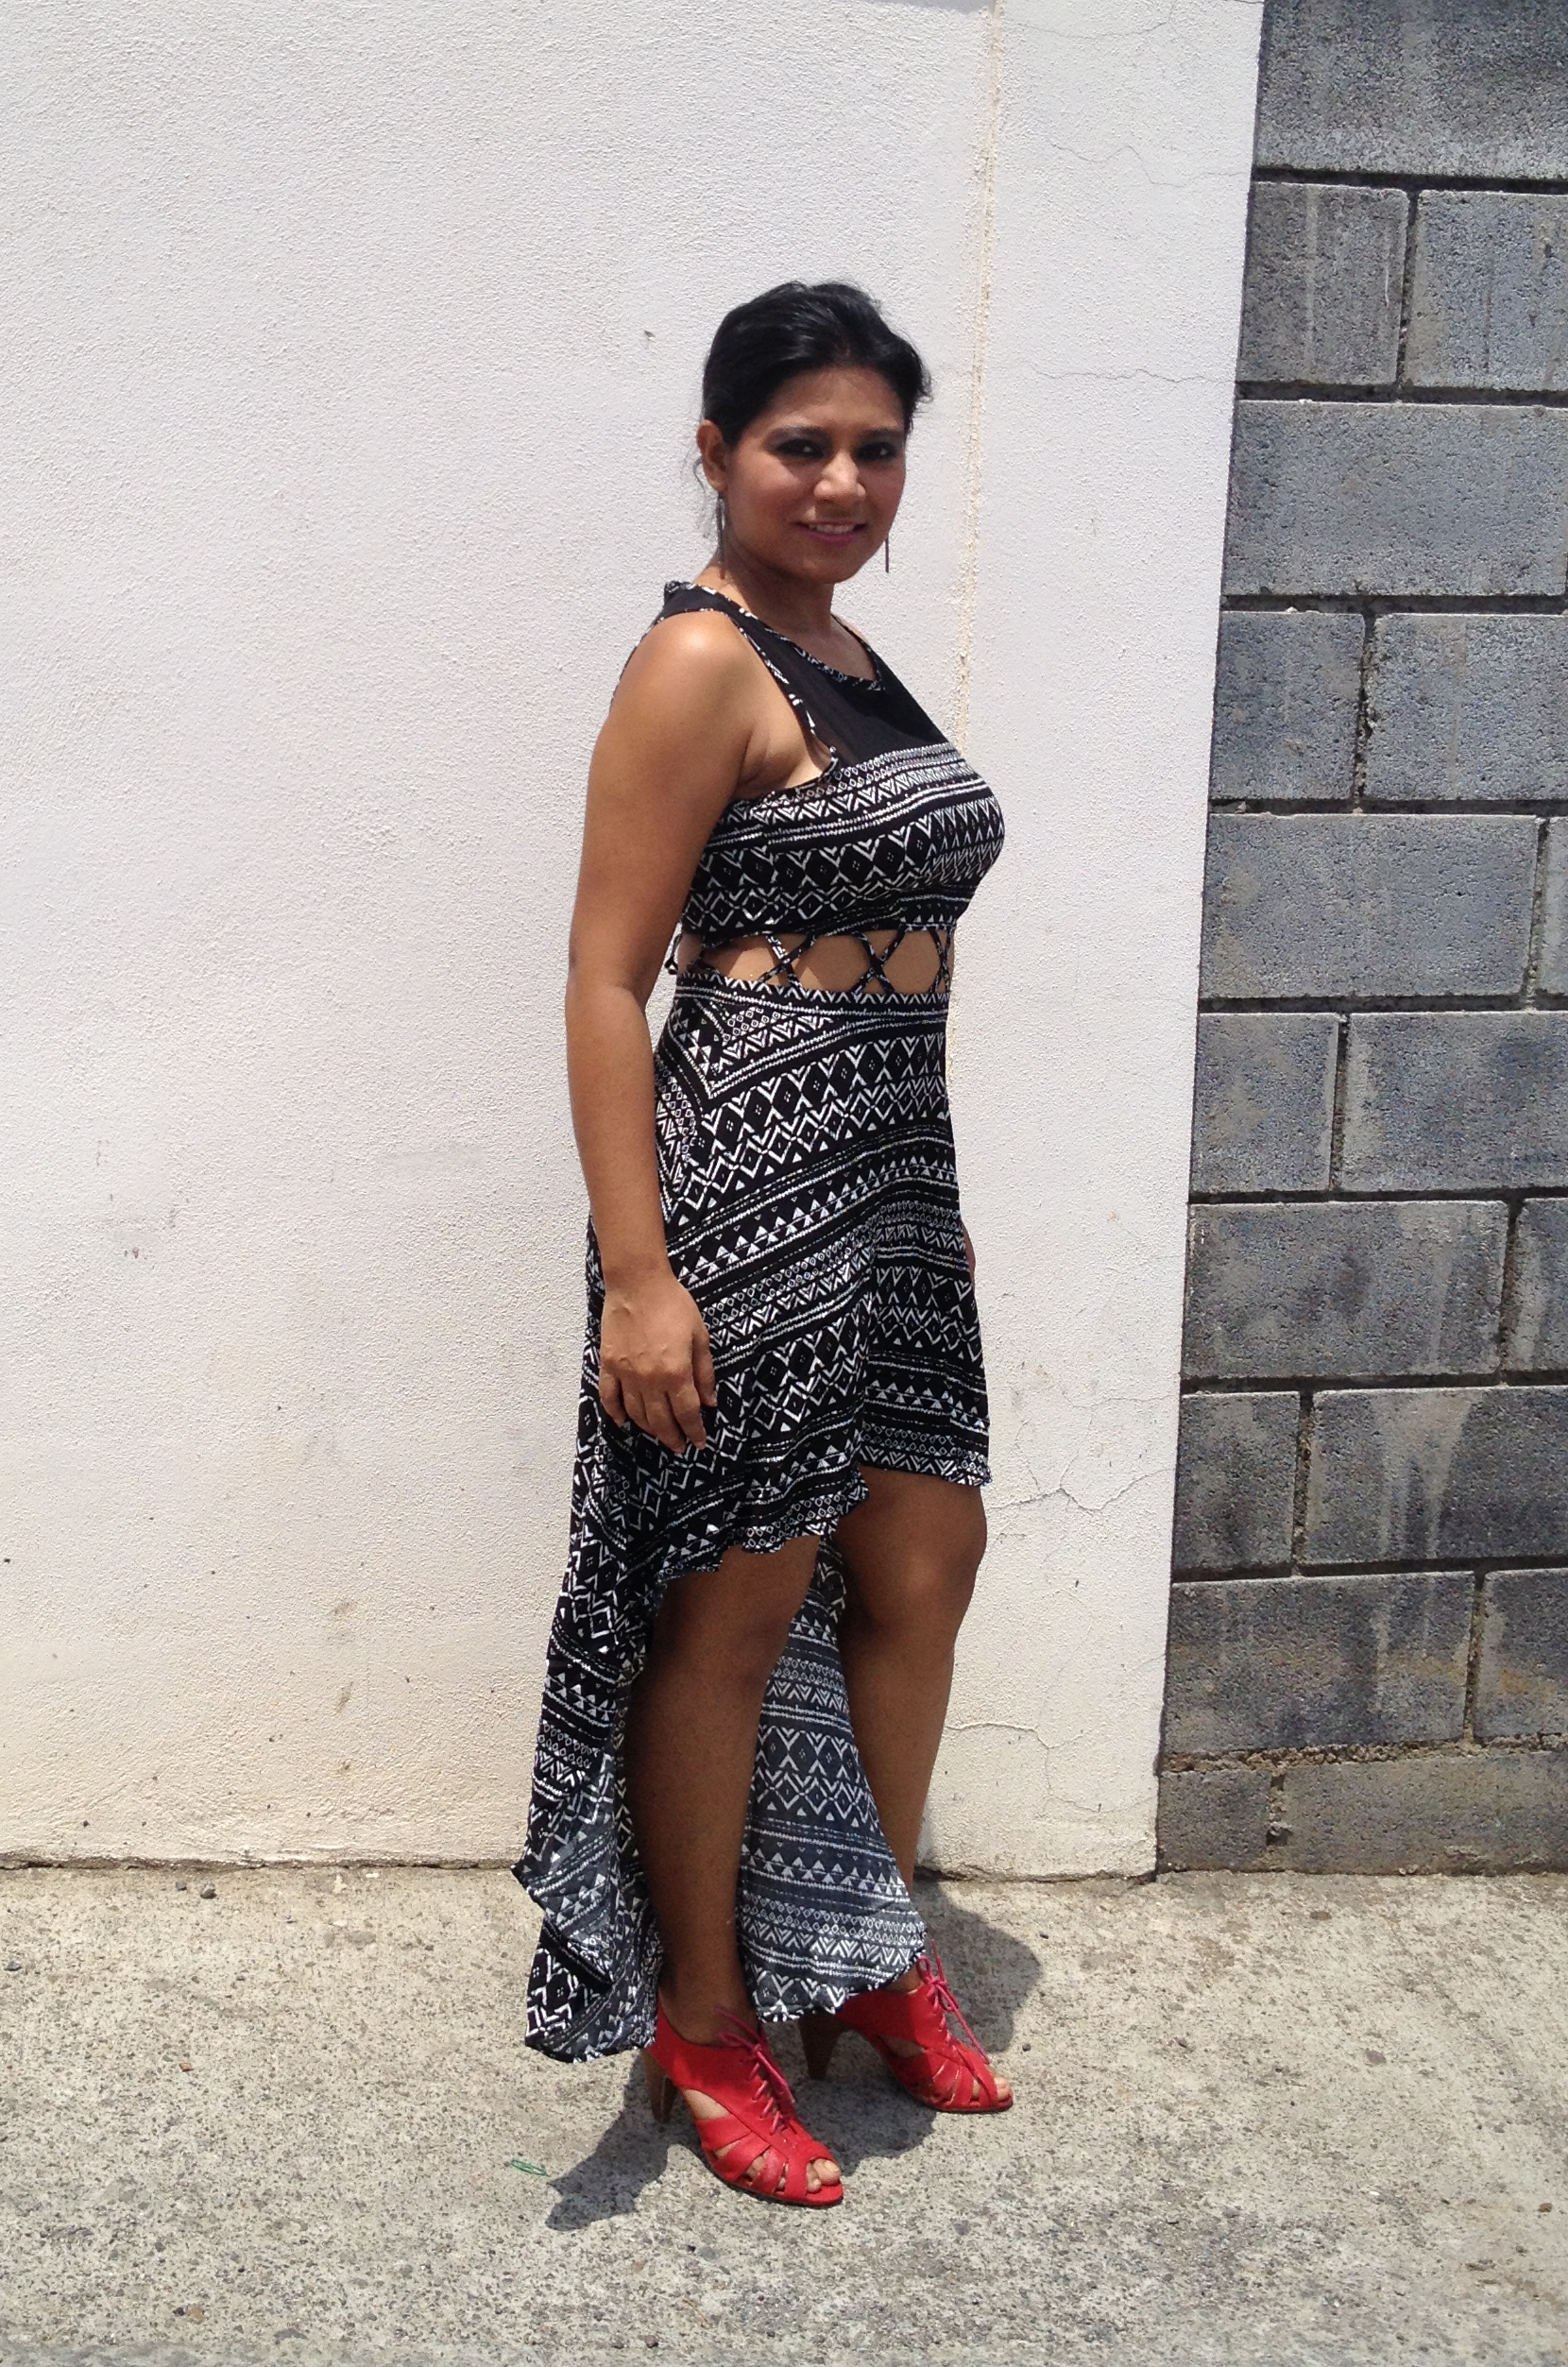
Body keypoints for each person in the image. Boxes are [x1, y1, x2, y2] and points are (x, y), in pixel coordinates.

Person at [514, 281, 1009, 2209]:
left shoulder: (845, 649)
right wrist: (640, 1274)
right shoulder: (697, 662)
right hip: (741, 1190)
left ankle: (861, 1946)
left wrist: (912, 1204)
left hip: (889, 1186)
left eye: (876, 447)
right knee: (732, 1603)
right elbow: (601, 977)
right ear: (716, 451)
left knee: (923, 1555)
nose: (841, 479)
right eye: (801, 443)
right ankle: (707, 2017)